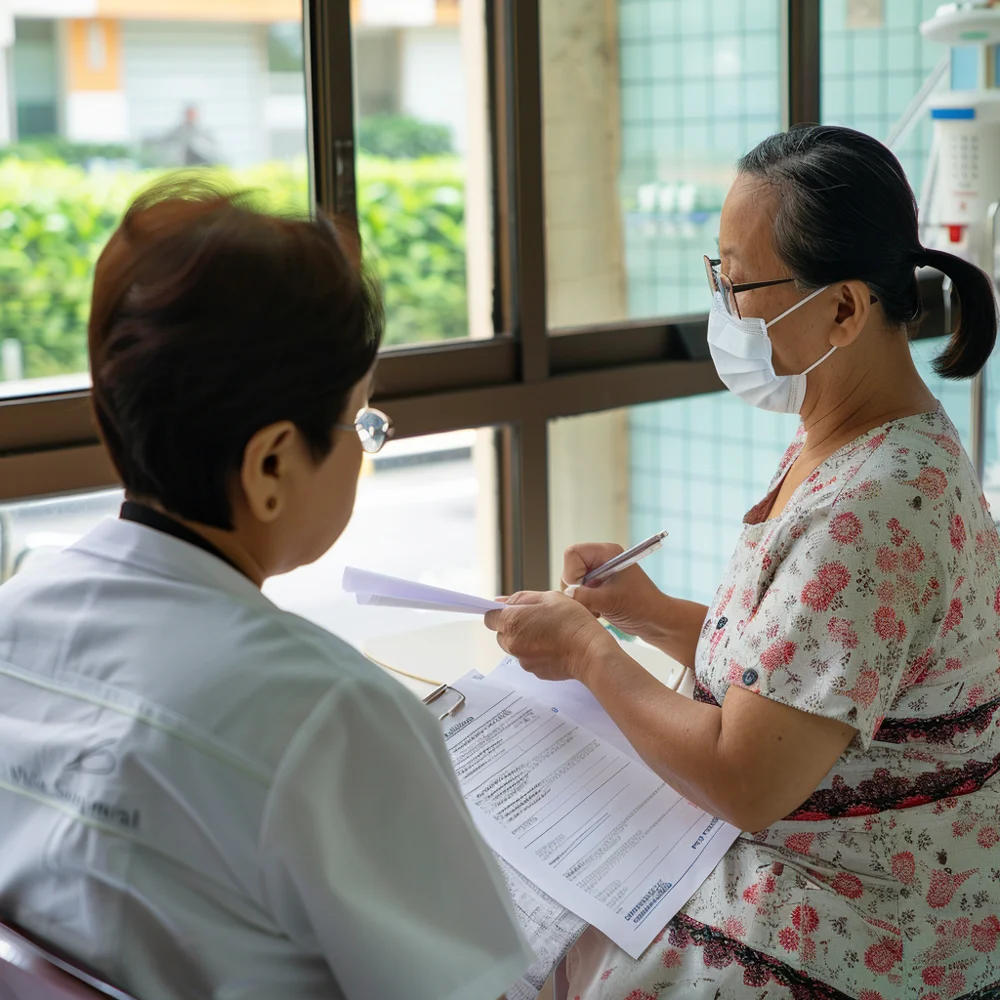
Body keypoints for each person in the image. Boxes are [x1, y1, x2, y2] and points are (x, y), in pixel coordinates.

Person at [486, 126, 1000, 1000]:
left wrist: (586, 652)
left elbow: (747, 775)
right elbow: (795, 676)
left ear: (843, 310)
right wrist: (644, 612)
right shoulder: (849, 440)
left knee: (527, 937)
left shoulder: (873, 506)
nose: (722, 307)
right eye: (715, 274)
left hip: (865, 916)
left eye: (738, 282)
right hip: (827, 856)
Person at [0, 180, 533, 1000]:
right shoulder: (327, 715)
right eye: (362, 421)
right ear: (272, 465)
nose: (366, 447)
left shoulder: (14, 619)